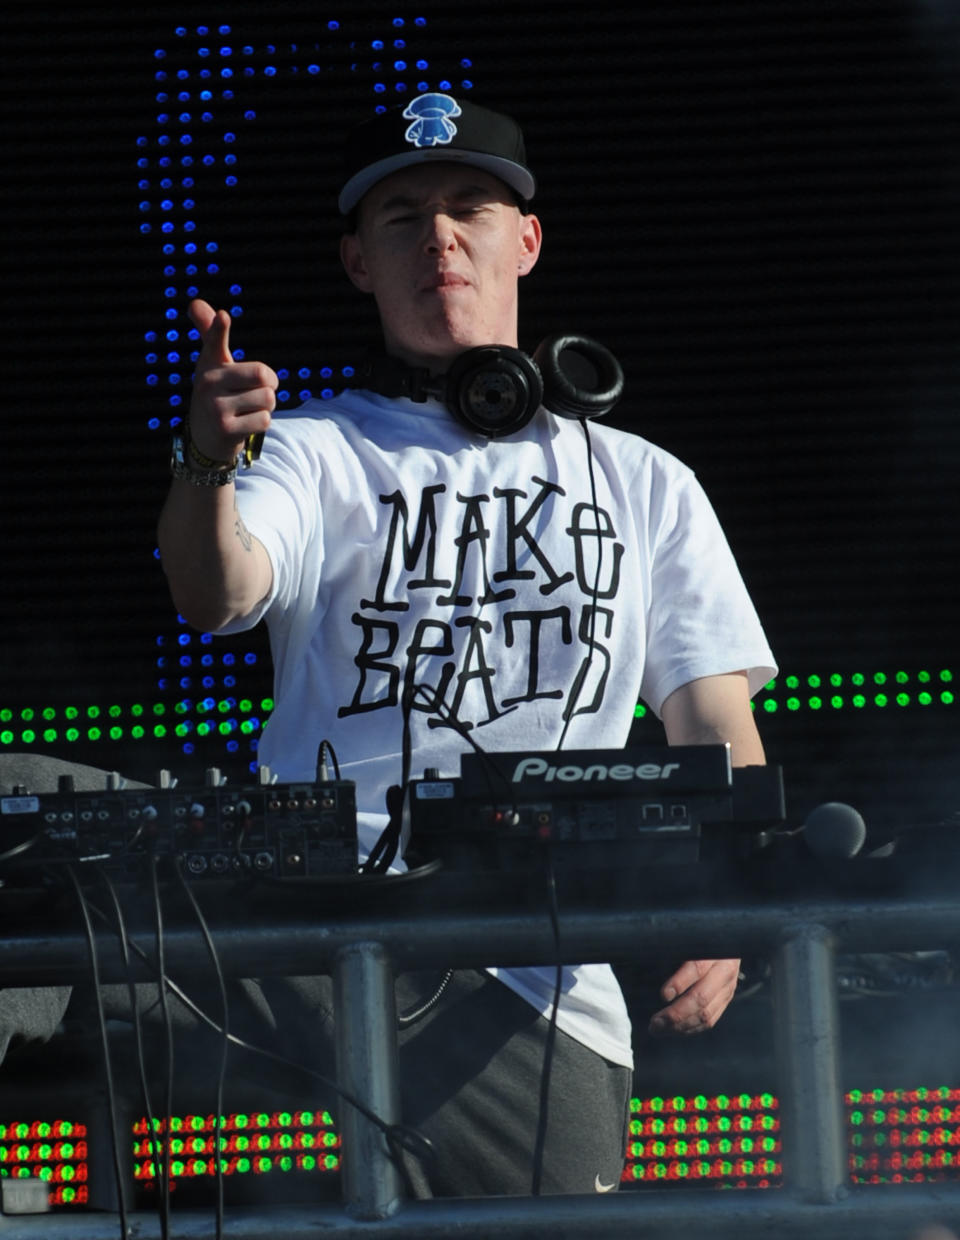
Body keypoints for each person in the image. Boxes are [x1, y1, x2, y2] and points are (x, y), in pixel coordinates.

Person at [154, 92, 776, 1197]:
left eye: (467, 209)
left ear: (524, 240)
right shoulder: (307, 448)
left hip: (539, 992)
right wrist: (208, 460)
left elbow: (714, 722)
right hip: (298, 939)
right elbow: (218, 592)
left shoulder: (645, 482)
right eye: (401, 217)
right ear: (357, 260)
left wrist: (728, 910)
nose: (437, 236)